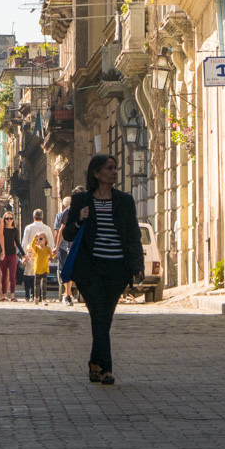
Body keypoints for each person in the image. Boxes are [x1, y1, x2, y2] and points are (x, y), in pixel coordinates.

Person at [62, 155, 143, 385]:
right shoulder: (81, 200)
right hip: (90, 269)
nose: (114, 172)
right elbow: (67, 234)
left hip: (117, 269)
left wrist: (137, 266)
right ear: (96, 173)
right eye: (109, 168)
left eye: (115, 168)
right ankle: (106, 369)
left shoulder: (125, 201)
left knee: (104, 317)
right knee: (98, 312)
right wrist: (79, 219)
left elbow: (133, 236)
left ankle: (94, 363)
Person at [53, 194, 79, 306]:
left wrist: (56, 246)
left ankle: (67, 293)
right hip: (67, 246)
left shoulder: (60, 214)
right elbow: (60, 231)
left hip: (66, 246)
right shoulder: (66, 214)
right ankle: (68, 294)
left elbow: (57, 232)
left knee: (66, 270)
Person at [0, 210, 22, 301]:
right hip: (3, 255)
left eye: (10, 218)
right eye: (7, 218)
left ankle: (12, 295)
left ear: (13, 220)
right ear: (4, 220)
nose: (9, 220)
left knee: (12, 275)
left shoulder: (15, 230)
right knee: (3, 276)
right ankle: (4, 295)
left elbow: (17, 242)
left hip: (12, 254)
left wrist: (23, 254)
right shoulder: (2, 230)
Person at [28, 230, 53, 305]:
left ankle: (44, 299)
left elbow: (52, 255)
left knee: (44, 285)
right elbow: (32, 245)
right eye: (38, 239)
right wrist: (35, 237)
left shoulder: (48, 248)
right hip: (37, 269)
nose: (39, 240)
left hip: (45, 269)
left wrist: (52, 257)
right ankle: (36, 298)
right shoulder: (36, 248)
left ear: (45, 239)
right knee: (36, 285)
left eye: (41, 239)